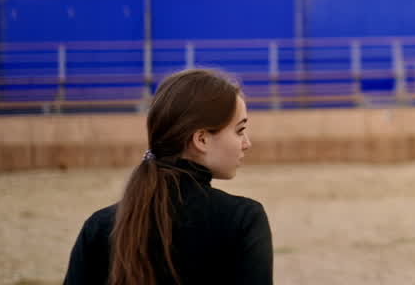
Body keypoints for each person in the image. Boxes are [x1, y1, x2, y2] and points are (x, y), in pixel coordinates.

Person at [64, 68, 272, 285]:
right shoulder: (242, 220)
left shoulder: (99, 226)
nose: (247, 143)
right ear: (201, 139)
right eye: (239, 130)